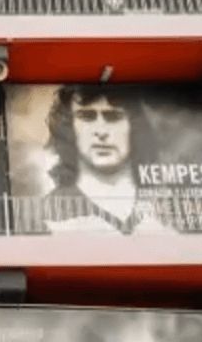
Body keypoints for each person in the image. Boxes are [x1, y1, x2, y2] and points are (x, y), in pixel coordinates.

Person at [36, 87, 171, 235]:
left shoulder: (166, 202)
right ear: (68, 128)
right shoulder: (47, 212)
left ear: (134, 127)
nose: (101, 132)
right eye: (87, 117)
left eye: (113, 117)